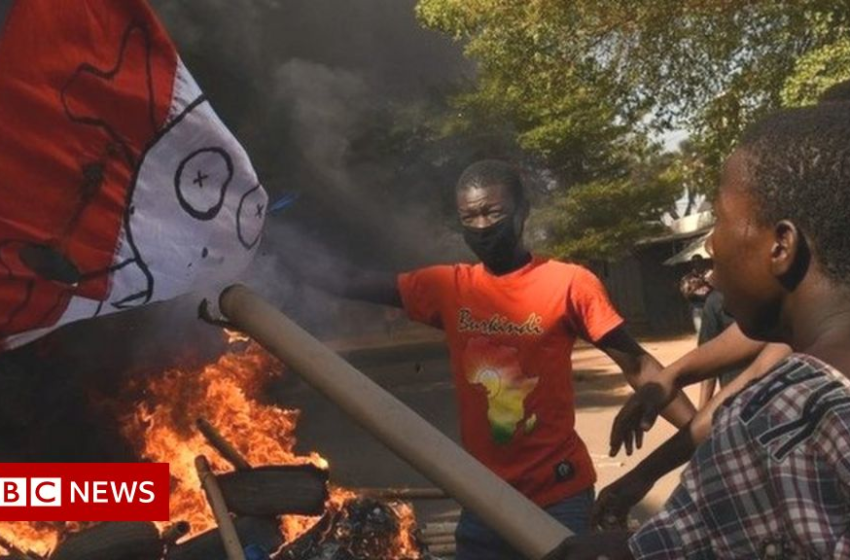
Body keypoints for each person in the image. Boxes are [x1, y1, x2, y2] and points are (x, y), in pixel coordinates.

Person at [295, 160, 695, 559]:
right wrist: (284, 259)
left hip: (560, 496)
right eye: (469, 216)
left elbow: (639, 365)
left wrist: (701, 434)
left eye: (493, 212)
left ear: (522, 212)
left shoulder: (569, 283)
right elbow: (356, 282)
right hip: (484, 499)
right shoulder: (448, 287)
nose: (482, 226)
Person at [557, 98, 850, 558]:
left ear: (782, 246)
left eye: (721, 220)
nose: (711, 244)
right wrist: (673, 375)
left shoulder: (772, 420)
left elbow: (681, 545)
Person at [696, 290, 744, 407]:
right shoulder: (716, 300)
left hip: (735, 397)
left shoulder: (716, 299)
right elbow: (709, 360)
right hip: (734, 398)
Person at [679, 254, 713, 333]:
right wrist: (696, 287)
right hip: (697, 307)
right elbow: (685, 294)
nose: (698, 264)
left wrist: (708, 283)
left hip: (712, 306)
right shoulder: (688, 278)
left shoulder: (711, 274)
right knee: (701, 332)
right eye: (695, 262)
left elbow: (719, 287)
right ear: (692, 264)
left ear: (703, 262)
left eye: (699, 262)